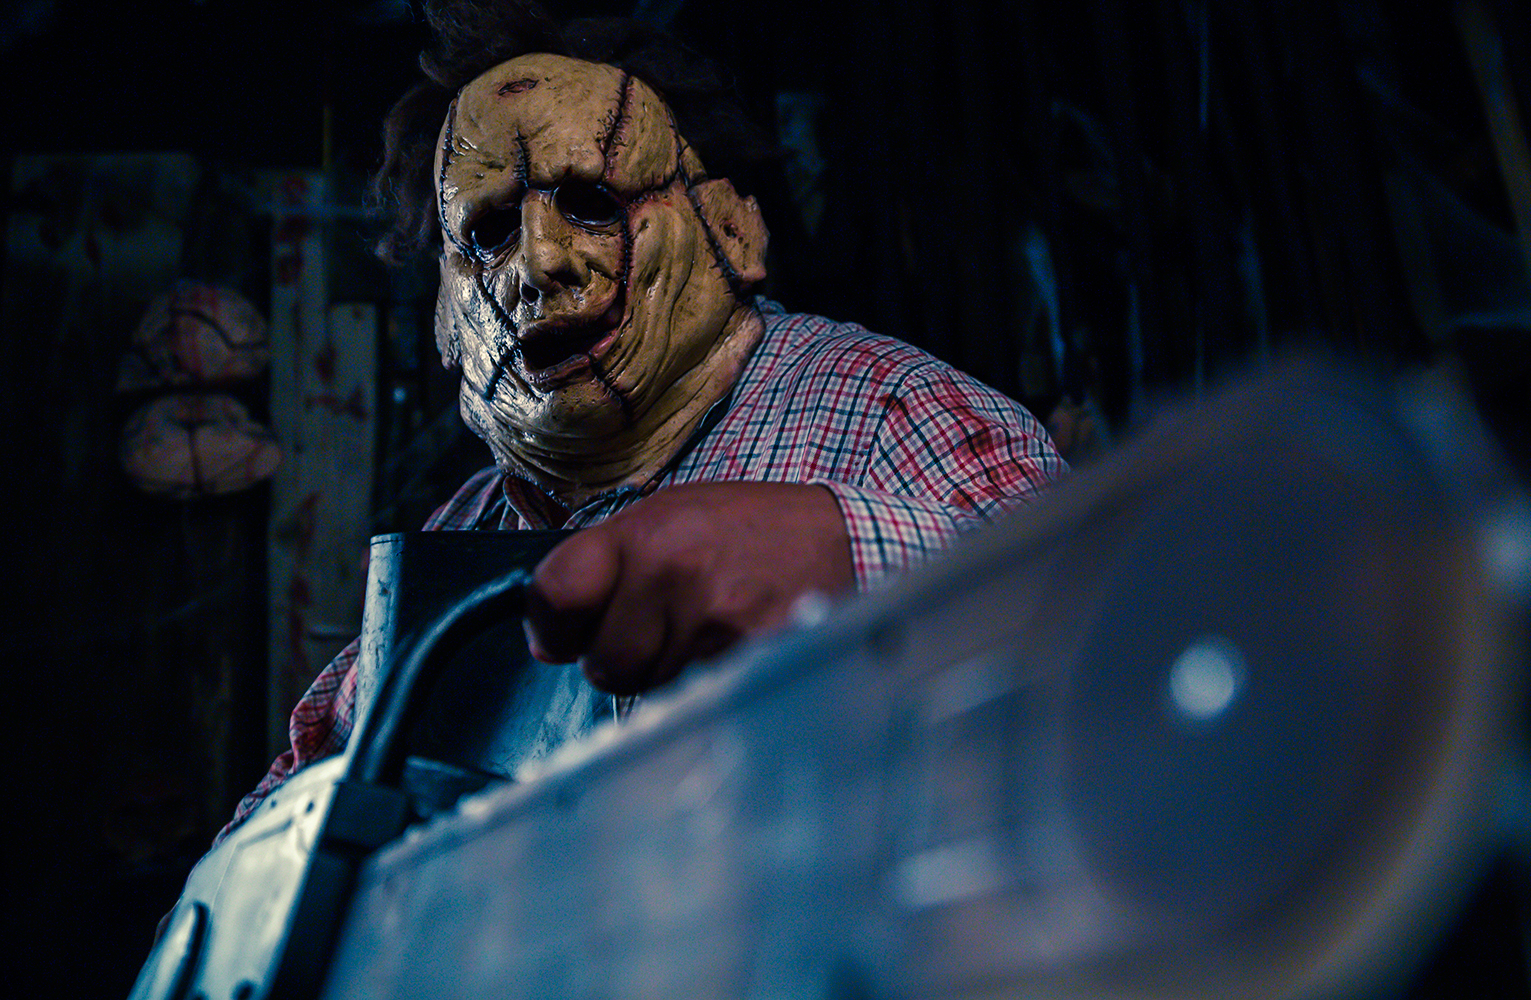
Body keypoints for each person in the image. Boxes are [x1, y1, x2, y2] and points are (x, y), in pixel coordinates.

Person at [222, 1, 1064, 836]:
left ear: (734, 230)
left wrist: (864, 562)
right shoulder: (462, 526)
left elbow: (1115, 636)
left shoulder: (897, 413)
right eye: (485, 233)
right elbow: (291, 809)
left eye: (592, 199)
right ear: (446, 317)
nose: (539, 261)